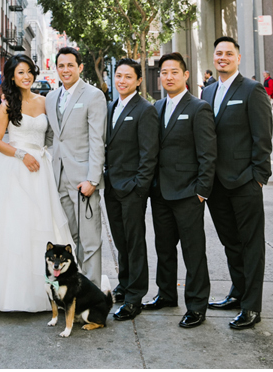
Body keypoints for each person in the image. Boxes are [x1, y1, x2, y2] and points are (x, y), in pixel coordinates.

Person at [0, 53, 72, 312]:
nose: (26, 76)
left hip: (40, 168)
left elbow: (54, 135)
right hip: (14, 166)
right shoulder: (6, 104)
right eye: (20, 72)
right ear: (12, 77)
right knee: (10, 228)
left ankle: (48, 291)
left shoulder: (46, 101)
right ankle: (5, 294)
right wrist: (22, 154)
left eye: (29, 71)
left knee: (42, 226)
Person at [201, 36, 273, 330]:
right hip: (216, 185)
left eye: (229, 54)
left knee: (251, 245)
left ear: (238, 58)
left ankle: (251, 306)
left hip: (245, 182)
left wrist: (259, 177)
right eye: (219, 53)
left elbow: (263, 137)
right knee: (230, 242)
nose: (223, 57)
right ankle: (237, 291)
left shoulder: (252, 90)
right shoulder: (207, 92)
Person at [142, 51, 216, 328]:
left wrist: (202, 191)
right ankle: (166, 294)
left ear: (185, 75)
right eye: (164, 72)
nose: (168, 76)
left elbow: (208, 154)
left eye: (174, 72)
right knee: (164, 247)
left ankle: (196, 305)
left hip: (188, 193)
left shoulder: (198, 108)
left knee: (193, 251)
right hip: (160, 192)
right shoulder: (155, 108)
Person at [44, 46, 107, 286]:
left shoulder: (93, 95)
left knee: (90, 241)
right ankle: (73, 288)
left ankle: (91, 294)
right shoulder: (51, 97)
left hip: (83, 180)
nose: (66, 70)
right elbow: (51, 137)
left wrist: (93, 179)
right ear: (56, 68)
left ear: (80, 67)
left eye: (71, 65)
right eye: (61, 65)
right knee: (70, 239)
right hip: (58, 179)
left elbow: (97, 140)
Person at [103, 57, 159, 321]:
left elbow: (149, 154)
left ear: (138, 80)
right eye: (119, 76)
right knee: (121, 241)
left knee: (134, 243)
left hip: (133, 189)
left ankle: (135, 297)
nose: (122, 81)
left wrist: (140, 187)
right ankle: (124, 285)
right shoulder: (112, 105)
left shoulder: (145, 109)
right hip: (112, 188)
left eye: (128, 77)